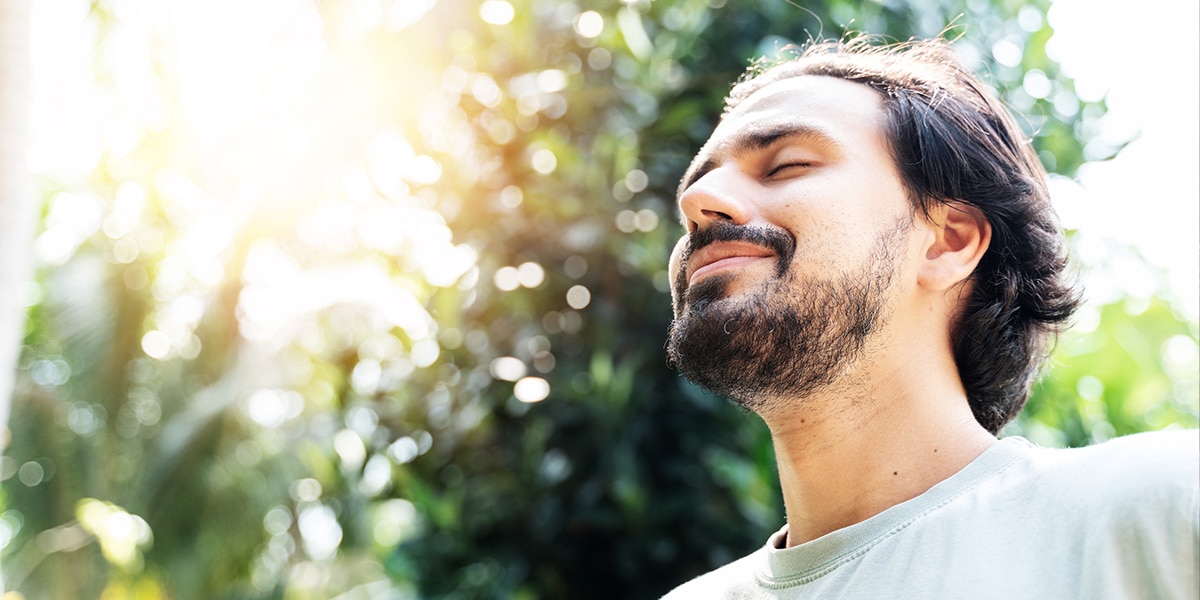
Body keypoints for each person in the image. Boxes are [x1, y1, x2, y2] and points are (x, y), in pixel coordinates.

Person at [660, 36, 1198, 599]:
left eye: (787, 164)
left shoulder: (1163, 510)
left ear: (949, 242)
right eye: (699, 182)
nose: (699, 200)